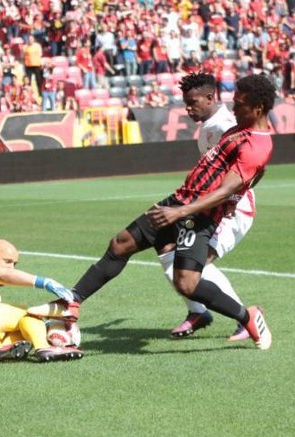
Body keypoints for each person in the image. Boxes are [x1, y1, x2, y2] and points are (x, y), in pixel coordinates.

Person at [65, 74, 277, 350]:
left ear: (258, 108)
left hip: (199, 216)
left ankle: (246, 316)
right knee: (121, 244)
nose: (233, 108)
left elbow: (226, 190)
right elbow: (253, 174)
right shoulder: (238, 128)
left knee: (188, 283)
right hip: (179, 202)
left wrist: (192, 210)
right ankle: (71, 301)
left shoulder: (254, 143)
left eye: (239, 104)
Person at [161, 72, 259, 341]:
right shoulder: (210, 127)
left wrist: (232, 200)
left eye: (193, 103)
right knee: (169, 252)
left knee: (195, 265)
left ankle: (245, 318)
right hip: (208, 206)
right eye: (186, 103)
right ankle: (198, 311)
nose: (188, 109)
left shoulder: (227, 126)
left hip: (232, 208)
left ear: (210, 97)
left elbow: (250, 170)